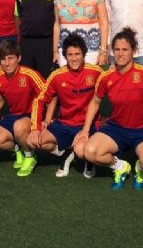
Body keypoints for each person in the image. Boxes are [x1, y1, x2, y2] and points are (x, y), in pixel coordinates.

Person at [79, 28, 143, 191]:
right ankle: (120, 166)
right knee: (89, 152)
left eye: (125, 49)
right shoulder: (106, 77)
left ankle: (140, 167)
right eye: (117, 49)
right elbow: (95, 102)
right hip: (116, 128)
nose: (120, 54)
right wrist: (85, 130)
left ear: (134, 50)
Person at [27, 33, 103, 177]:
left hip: (87, 125)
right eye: (70, 54)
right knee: (33, 140)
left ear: (84, 54)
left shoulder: (96, 72)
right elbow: (39, 100)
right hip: (65, 124)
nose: (74, 58)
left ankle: (86, 158)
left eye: (77, 54)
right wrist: (36, 127)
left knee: (82, 151)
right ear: (65, 56)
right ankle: (67, 151)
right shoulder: (57, 75)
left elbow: (111, 92)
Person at [0, 40, 46, 176]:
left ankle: (30, 156)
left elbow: (49, 96)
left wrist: (46, 119)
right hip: (11, 117)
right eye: (3, 59)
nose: (7, 63)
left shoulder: (30, 74)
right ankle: (18, 148)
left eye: (11, 58)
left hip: (31, 116)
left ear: (19, 58)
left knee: (19, 127)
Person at [53, 0, 109, 66]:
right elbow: (57, 24)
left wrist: (103, 50)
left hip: (91, 51)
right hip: (66, 51)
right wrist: (55, 51)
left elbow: (104, 23)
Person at [15, 0, 62, 78]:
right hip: (26, 44)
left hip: (47, 43)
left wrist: (56, 48)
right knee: (26, 82)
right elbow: (18, 17)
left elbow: (61, 20)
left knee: (47, 82)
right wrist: (18, 43)